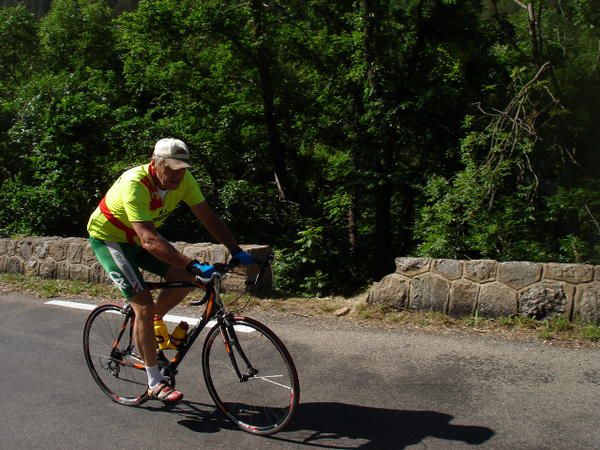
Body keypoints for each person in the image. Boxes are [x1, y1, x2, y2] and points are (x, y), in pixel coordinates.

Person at [87, 137, 254, 404]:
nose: (178, 175)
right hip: (111, 238)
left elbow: (208, 217)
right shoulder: (135, 183)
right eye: (173, 168)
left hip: (140, 238)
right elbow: (149, 240)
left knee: (189, 280)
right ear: (156, 163)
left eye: (183, 168)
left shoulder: (184, 180)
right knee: (143, 304)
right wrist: (191, 262)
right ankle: (154, 382)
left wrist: (235, 250)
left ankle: (152, 325)